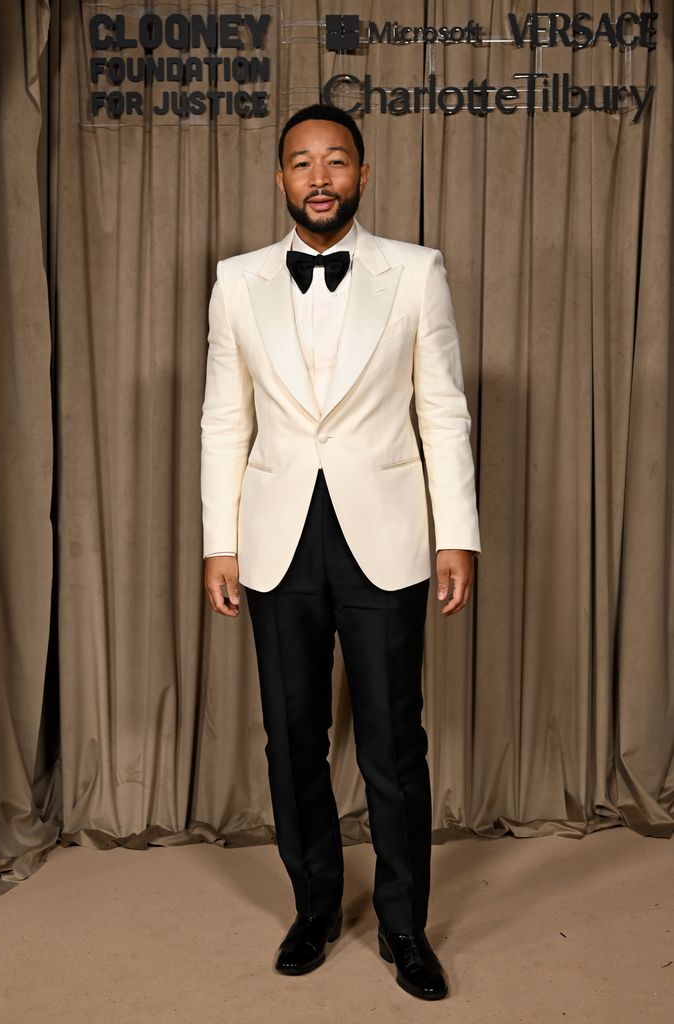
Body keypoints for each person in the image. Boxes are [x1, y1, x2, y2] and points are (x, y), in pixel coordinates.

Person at [200, 102, 481, 1001]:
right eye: (301, 162)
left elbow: (442, 408)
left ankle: (403, 925)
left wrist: (456, 532)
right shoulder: (236, 280)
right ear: (281, 178)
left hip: (386, 534)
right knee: (292, 738)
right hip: (275, 538)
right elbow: (223, 419)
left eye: (335, 161)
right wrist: (218, 542)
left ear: (362, 173)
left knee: (394, 741)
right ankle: (315, 906)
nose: (318, 178)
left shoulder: (417, 271)